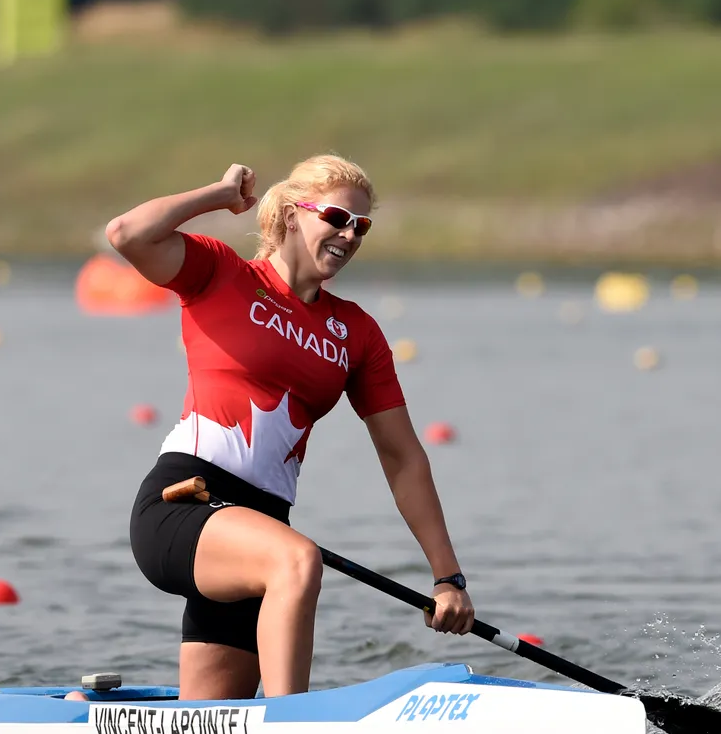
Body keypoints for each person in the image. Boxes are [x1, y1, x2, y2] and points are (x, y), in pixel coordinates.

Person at [111, 154, 475, 701]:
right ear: (289, 214)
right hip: (183, 502)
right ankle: (296, 724)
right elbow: (127, 233)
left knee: (212, 718)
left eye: (362, 226)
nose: (349, 235)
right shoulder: (222, 275)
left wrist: (448, 577)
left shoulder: (357, 334)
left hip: (261, 529)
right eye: (336, 217)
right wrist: (219, 194)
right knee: (298, 559)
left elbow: (402, 457)